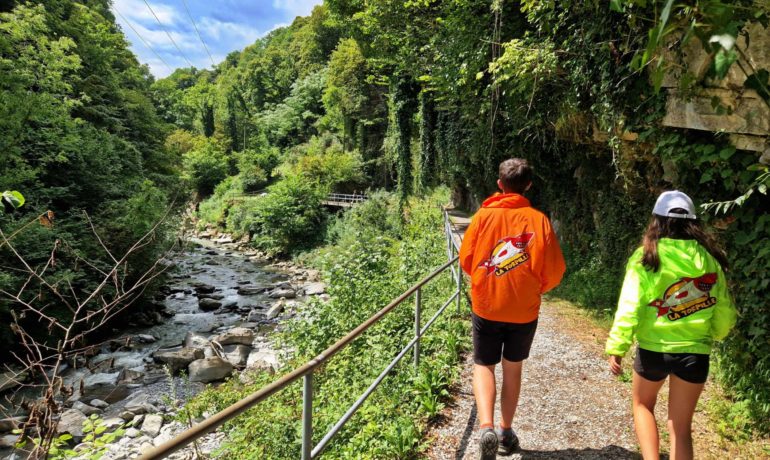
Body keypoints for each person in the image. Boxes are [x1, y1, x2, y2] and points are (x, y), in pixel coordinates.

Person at [606, 190, 736, 460]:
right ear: (694, 223)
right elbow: (723, 308)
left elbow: (629, 305)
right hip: (695, 353)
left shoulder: (646, 256)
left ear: (657, 220)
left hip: (653, 350)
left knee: (642, 405)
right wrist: (716, 334)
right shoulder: (708, 258)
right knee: (680, 427)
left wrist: (618, 345)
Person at [459, 158, 566, 459]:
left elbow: (467, 260)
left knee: (484, 365)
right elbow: (555, 270)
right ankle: (506, 432)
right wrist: (535, 288)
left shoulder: (483, 216)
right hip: (524, 310)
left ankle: (486, 428)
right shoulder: (539, 220)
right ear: (528, 185)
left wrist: (485, 281)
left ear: (499, 184)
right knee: (513, 367)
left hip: (487, 306)